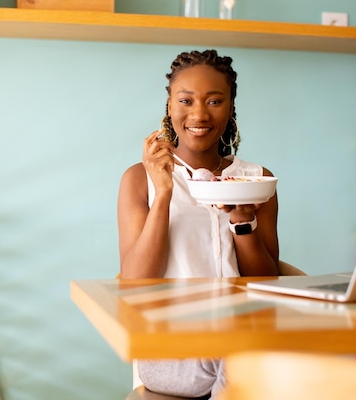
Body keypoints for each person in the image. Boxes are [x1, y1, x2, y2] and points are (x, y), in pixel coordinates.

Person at [117, 49, 280, 398]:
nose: (199, 114)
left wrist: (243, 219)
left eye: (215, 101)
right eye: (186, 100)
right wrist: (163, 194)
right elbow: (134, 286)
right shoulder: (138, 179)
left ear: (231, 106)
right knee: (243, 360)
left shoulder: (256, 180)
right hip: (169, 347)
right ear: (170, 105)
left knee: (265, 356)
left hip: (240, 337)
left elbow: (267, 283)